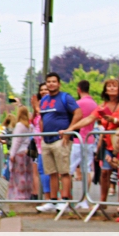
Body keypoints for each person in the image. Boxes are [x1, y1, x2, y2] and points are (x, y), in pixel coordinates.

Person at [66, 78, 119, 209]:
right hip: (108, 142)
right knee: (104, 172)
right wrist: (71, 128)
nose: (112, 89)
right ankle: (102, 201)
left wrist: (114, 120)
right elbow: (90, 118)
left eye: (114, 86)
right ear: (105, 90)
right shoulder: (103, 106)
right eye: (109, 86)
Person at [37, 72, 81, 213]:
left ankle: (65, 199)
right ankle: (53, 200)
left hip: (60, 140)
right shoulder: (43, 101)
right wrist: (43, 136)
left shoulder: (65, 97)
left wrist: (69, 130)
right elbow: (42, 118)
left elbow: (78, 113)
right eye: (48, 81)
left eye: (54, 81)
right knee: (51, 172)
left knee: (64, 171)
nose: (51, 84)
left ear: (59, 83)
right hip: (47, 140)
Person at [8, 106, 34, 200]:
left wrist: (12, 154)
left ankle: (18, 195)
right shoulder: (29, 126)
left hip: (19, 153)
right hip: (27, 152)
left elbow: (16, 141)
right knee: (27, 175)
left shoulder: (19, 125)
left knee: (18, 175)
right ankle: (27, 194)